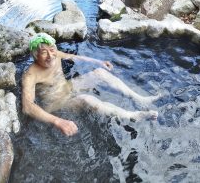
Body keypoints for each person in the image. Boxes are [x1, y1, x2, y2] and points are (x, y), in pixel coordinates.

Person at [22, 33, 159, 137]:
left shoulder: (56, 54)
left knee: (99, 73)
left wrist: (98, 62)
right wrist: (58, 121)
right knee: (87, 99)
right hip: (57, 105)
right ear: (35, 55)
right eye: (44, 52)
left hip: (67, 88)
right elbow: (27, 107)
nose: (50, 56)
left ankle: (139, 98)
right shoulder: (30, 75)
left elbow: (73, 57)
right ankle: (132, 116)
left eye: (51, 50)